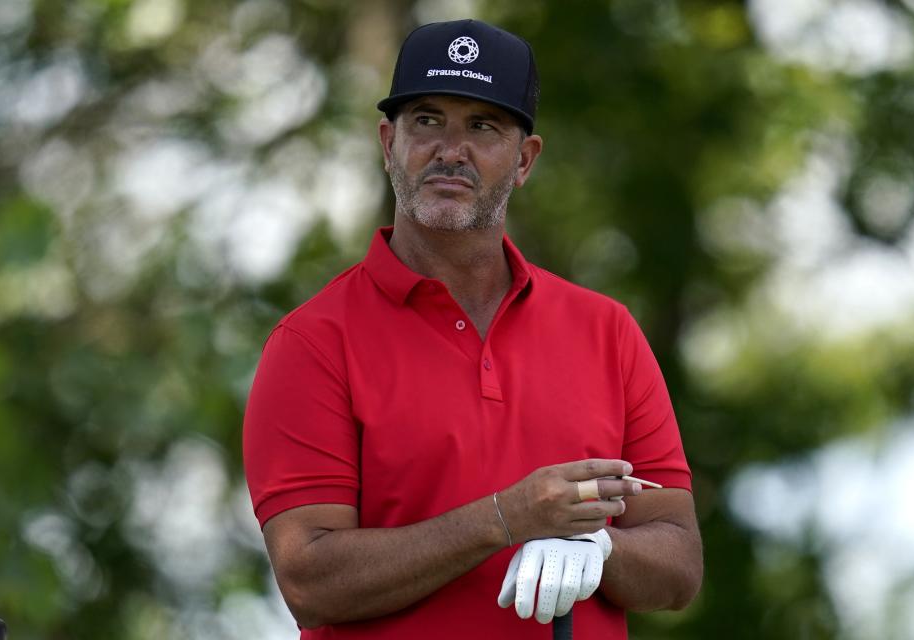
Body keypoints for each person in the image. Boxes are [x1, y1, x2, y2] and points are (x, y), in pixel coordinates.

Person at [243, 18, 702, 639]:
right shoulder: (313, 342)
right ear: (388, 143)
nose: (450, 149)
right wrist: (506, 519)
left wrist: (600, 550)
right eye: (427, 120)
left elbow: (679, 564)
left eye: (483, 126)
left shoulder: (607, 331)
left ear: (524, 160)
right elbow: (310, 580)